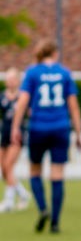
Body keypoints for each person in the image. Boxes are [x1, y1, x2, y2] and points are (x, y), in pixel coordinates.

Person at [11, 39, 81, 234]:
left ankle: (43, 209)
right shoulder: (64, 73)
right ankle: (55, 222)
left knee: (35, 171)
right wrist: (78, 133)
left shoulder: (32, 72)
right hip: (60, 127)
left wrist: (15, 127)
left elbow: (22, 101)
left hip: (38, 128)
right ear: (55, 53)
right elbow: (74, 107)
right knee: (57, 174)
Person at [0, 67, 31, 212]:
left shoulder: (23, 97)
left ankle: (9, 201)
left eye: (12, 78)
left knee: (8, 166)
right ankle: (23, 194)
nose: (10, 81)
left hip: (17, 136)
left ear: (18, 81)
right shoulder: (2, 97)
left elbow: (31, 113)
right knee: (4, 170)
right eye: (8, 78)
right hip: (4, 135)